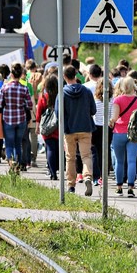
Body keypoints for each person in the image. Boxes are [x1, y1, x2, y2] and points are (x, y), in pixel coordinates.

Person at [55, 65, 96, 195]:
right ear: (76, 75)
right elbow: (93, 110)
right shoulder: (86, 91)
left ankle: (71, 185)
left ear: (64, 76)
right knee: (86, 156)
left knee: (70, 157)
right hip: (85, 127)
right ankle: (88, 177)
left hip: (69, 129)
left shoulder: (62, 93)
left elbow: (58, 113)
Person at [0, 63, 33, 173]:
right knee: (18, 143)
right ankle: (18, 162)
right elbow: (29, 105)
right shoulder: (24, 88)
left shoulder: (5, 88)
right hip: (21, 119)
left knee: (9, 143)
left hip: (8, 119)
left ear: (11, 74)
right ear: (21, 74)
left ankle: (11, 161)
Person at [109, 77, 137, 197]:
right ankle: (130, 188)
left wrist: (111, 121)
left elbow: (114, 117)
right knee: (132, 160)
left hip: (119, 132)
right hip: (133, 133)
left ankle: (119, 187)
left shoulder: (118, 99)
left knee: (119, 161)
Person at [37, 74, 59, 180]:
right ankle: (57, 167)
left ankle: (52, 172)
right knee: (58, 149)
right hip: (58, 126)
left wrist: (37, 126)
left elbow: (39, 113)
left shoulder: (43, 97)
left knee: (50, 148)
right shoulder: (60, 96)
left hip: (47, 127)